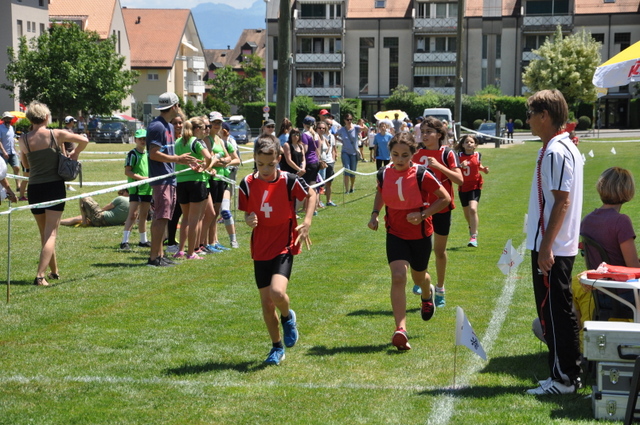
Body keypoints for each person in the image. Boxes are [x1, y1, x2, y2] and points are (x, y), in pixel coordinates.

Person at [238, 135, 317, 365]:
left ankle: (287, 316)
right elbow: (247, 212)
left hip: (284, 244)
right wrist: (248, 219)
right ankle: (276, 347)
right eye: (260, 164)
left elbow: (311, 194)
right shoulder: (247, 184)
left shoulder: (289, 180)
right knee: (266, 303)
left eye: (270, 165)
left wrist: (307, 221)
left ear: (279, 160)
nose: (265, 169)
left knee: (277, 293)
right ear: (254, 159)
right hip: (260, 247)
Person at [368, 132, 450, 351]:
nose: (399, 159)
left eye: (405, 155)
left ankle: (427, 293)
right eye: (395, 154)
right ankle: (401, 329)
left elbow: (445, 198)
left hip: (420, 235)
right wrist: (375, 214)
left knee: (419, 277)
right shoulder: (384, 173)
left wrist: (423, 215)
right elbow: (381, 192)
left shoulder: (422, 174)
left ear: (413, 154)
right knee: (398, 276)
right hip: (395, 233)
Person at [525, 89, 583, 395]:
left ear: (544, 116)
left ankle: (564, 379)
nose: (528, 121)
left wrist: (546, 247)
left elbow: (562, 201)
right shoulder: (556, 147)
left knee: (555, 312)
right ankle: (562, 374)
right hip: (554, 244)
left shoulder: (556, 151)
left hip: (554, 247)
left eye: (531, 114)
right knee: (553, 311)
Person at [19, 101, 88, 286]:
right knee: (51, 234)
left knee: (45, 234)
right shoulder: (55, 134)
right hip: (54, 187)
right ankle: (40, 276)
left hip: (35, 189)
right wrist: (75, 154)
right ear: (46, 117)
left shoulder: (23, 139)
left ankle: (54, 271)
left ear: (30, 118)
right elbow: (84, 140)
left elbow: (25, 165)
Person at [412, 117, 463, 306]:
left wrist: (439, 166)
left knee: (439, 251)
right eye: (423, 132)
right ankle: (422, 278)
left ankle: (440, 288)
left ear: (439, 134)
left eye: (429, 132)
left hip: (441, 208)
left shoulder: (447, 153)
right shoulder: (416, 153)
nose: (424, 135)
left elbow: (460, 180)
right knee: (419, 248)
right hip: (421, 207)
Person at [578, 167, 640, 321]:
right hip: (623, 294)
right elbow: (633, 267)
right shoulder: (621, 221)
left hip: (600, 293)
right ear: (627, 190)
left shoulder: (587, 220)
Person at [146, 92, 197, 267]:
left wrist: (184, 161)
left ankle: (160, 255)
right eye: (179, 105)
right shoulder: (157, 127)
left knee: (164, 217)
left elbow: (167, 152)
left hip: (170, 178)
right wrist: (177, 159)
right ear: (174, 106)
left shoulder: (168, 126)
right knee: (160, 218)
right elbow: (153, 154)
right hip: (161, 179)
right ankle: (154, 258)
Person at [173, 117, 213, 259]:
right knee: (194, 219)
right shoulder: (197, 142)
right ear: (197, 129)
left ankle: (181, 250)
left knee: (185, 218)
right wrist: (205, 167)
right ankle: (191, 252)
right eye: (203, 128)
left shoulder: (178, 141)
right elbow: (208, 157)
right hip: (196, 182)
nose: (205, 131)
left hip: (181, 182)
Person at [120, 129, 152, 250]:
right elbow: (127, 171)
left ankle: (143, 240)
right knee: (133, 215)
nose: (143, 141)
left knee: (144, 215)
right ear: (135, 140)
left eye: (145, 139)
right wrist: (142, 179)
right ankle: (124, 242)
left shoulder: (149, 154)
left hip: (148, 188)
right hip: (136, 188)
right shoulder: (132, 154)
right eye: (140, 139)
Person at [455, 134, 489, 247]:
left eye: (471, 142)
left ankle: (473, 237)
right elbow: (454, 169)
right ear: (463, 145)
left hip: (475, 186)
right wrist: (460, 165)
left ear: (475, 145)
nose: (469, 144)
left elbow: (478, 166)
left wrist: (484, 169)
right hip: (463, 186)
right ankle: (472, 227)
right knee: (467, 213)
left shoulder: (477, 155)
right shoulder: (458, 156)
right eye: (466, 142)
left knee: (473, 209)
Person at [165, 114, 185, 254]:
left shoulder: (184, 140)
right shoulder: (169, 140)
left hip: (183, 180)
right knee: (174, 212)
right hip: (171, 181)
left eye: (180, 123)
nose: (178, 126)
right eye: (175, 123)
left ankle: (172, 239)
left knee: (180, 212)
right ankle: (170, 241)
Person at [61, 189, 130, 227]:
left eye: (121, 192)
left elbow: (105, 208)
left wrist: (98, 211)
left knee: (83, 195)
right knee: (80, 217)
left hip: (100, 218)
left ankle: (84, 221)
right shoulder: (134, 204)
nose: (120, 194)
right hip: (107, 224)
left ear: (126, 192)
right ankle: (59, 222)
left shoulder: (120, 198)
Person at [335, 113, 361, 194]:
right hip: (345, 152)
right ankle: (346, 190)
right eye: (347, 120)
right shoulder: (342, 130)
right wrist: (341, 140)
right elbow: (335, 135)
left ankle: (352, 187)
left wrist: (362, 124)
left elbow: (365, 129)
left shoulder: (356, 128)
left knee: (353, 172)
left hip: (354, 153)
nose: (349, 121)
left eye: (350, 119)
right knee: (347, 170)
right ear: (344, 120)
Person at [317, 122, 337, 207]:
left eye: (323, 128)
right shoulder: (316, 137)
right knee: (320, 183)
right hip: (320, 163)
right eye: (320, 128)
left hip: (328, 162)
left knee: (328, 182)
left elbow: (331, 147)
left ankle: (329, 201)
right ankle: (318, 201)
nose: (322, 129)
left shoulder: (329, 137)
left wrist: (332, 158)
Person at [1, 112, 21, 196]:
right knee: (2, 171)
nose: (8, 120)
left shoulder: (12, 128)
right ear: (3, 119)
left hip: (12, 152)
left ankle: (18, 186)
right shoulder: (0, 128)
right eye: (6, 118)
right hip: (3, 153)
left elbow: (12, 140)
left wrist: (15, 150)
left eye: (9, 118)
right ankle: (5, 189)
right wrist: (4, 152)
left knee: (17, 167)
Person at [62, 116, 79, 192]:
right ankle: (68, 186)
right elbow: (62, 143)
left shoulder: (70, 130)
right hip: (68, 153)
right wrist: (64, 153)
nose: (74, 123)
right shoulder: (64, 131)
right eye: (73, 121)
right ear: (70, 121)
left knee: (71, 170)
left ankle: (68, 185)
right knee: (67, 170)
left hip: (71, 153)